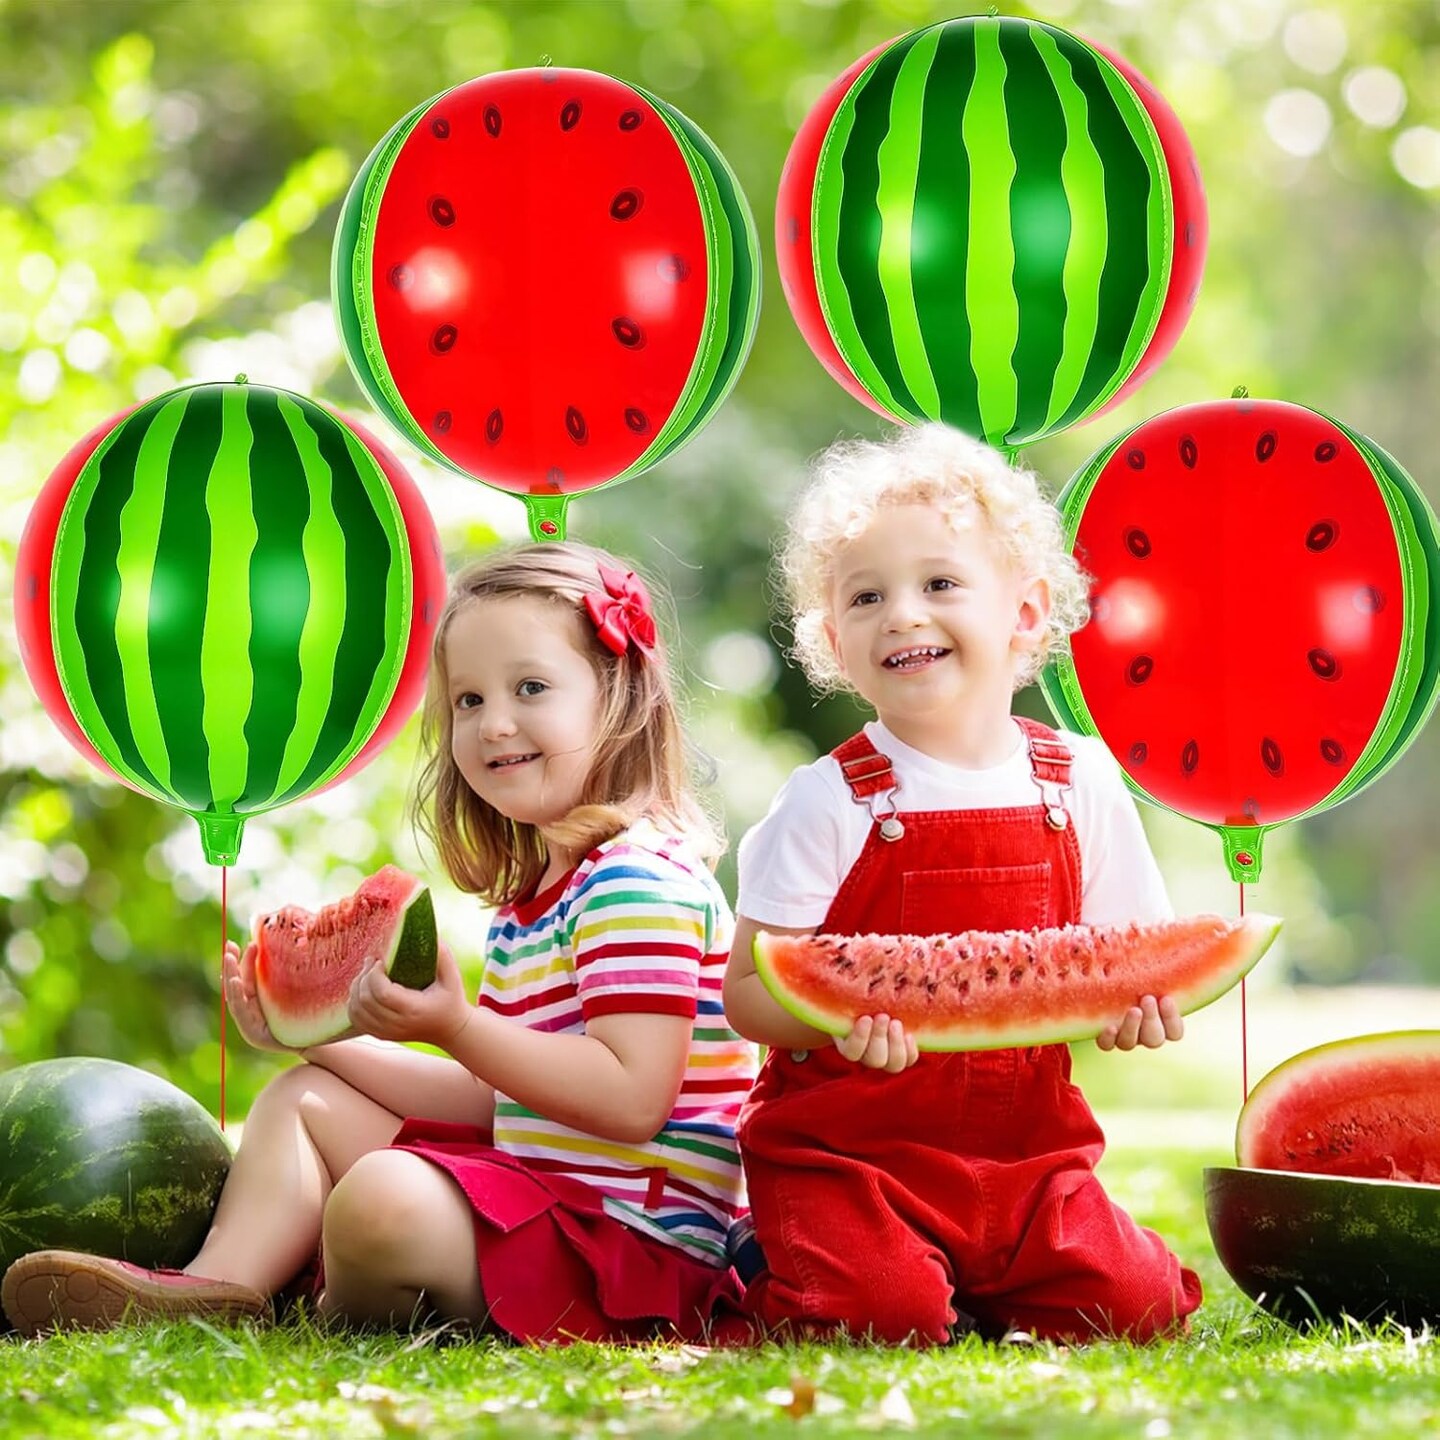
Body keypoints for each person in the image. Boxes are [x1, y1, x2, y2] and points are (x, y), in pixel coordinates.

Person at [3, 542, 757, 1344]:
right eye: (467, 700)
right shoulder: (536, 899)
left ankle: (325, 1302)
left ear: (618, 697)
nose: (494, 722)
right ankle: (213, 1290)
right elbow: (500, 1102)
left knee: (381, 1197)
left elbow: (631, 1100)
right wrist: (311, 1041)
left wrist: (457, 1028)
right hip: (535, 1195)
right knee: (302, 1099)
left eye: (530, 688)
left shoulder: (636, 882)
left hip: (627, 1251)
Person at [722, 423, 1203, 1347]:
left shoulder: (1082, 781)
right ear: (833, 639)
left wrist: (1142, 1008)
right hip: (849, 1160)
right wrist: (831, 1017)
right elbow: (748, 993)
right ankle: (764, 1257)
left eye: (940, 583)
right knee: (878, 1318)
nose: (902, 614)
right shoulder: (828, 800)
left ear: (1024, 613)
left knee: (1137, 1307)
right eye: (867, 598)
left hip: (1032, 1162)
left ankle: (973, 1279)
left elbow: (1130, 958)